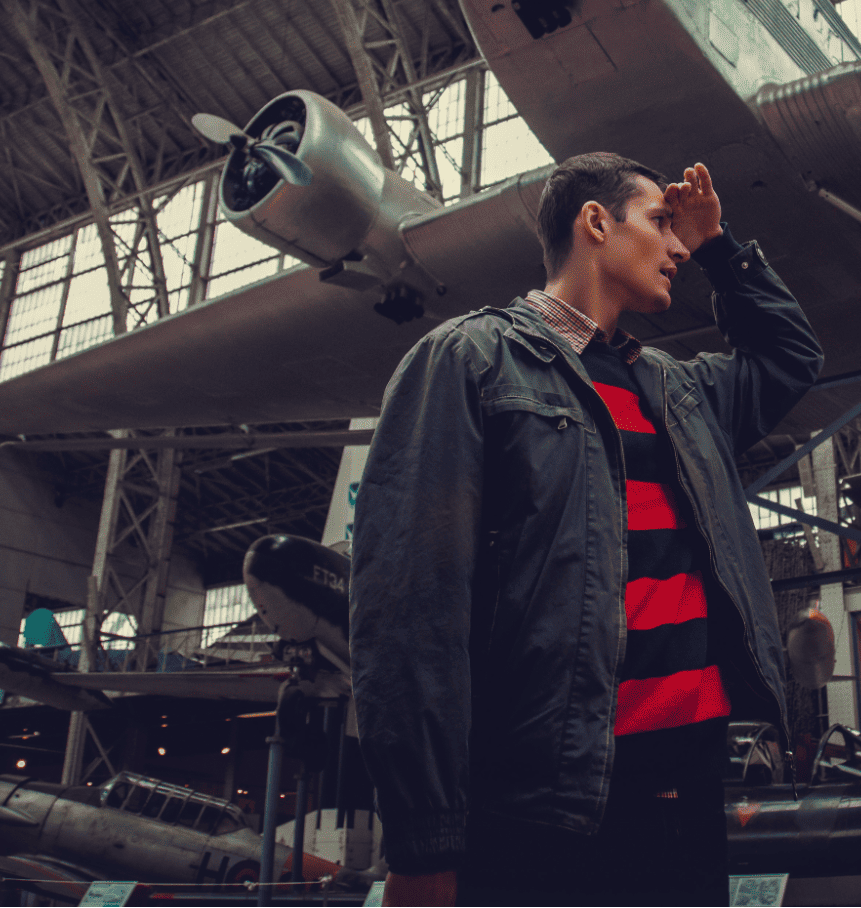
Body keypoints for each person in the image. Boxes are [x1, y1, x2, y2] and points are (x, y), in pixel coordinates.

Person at [350, 154, 823, 907]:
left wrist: (718, 245)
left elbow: (792, 356)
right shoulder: (468, 361)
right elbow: (410, 611)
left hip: (690, 798)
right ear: (595, 222)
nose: (676, 247)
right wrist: (424, 839)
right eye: (661, 223)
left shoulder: (680, 389)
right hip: (548, 815)